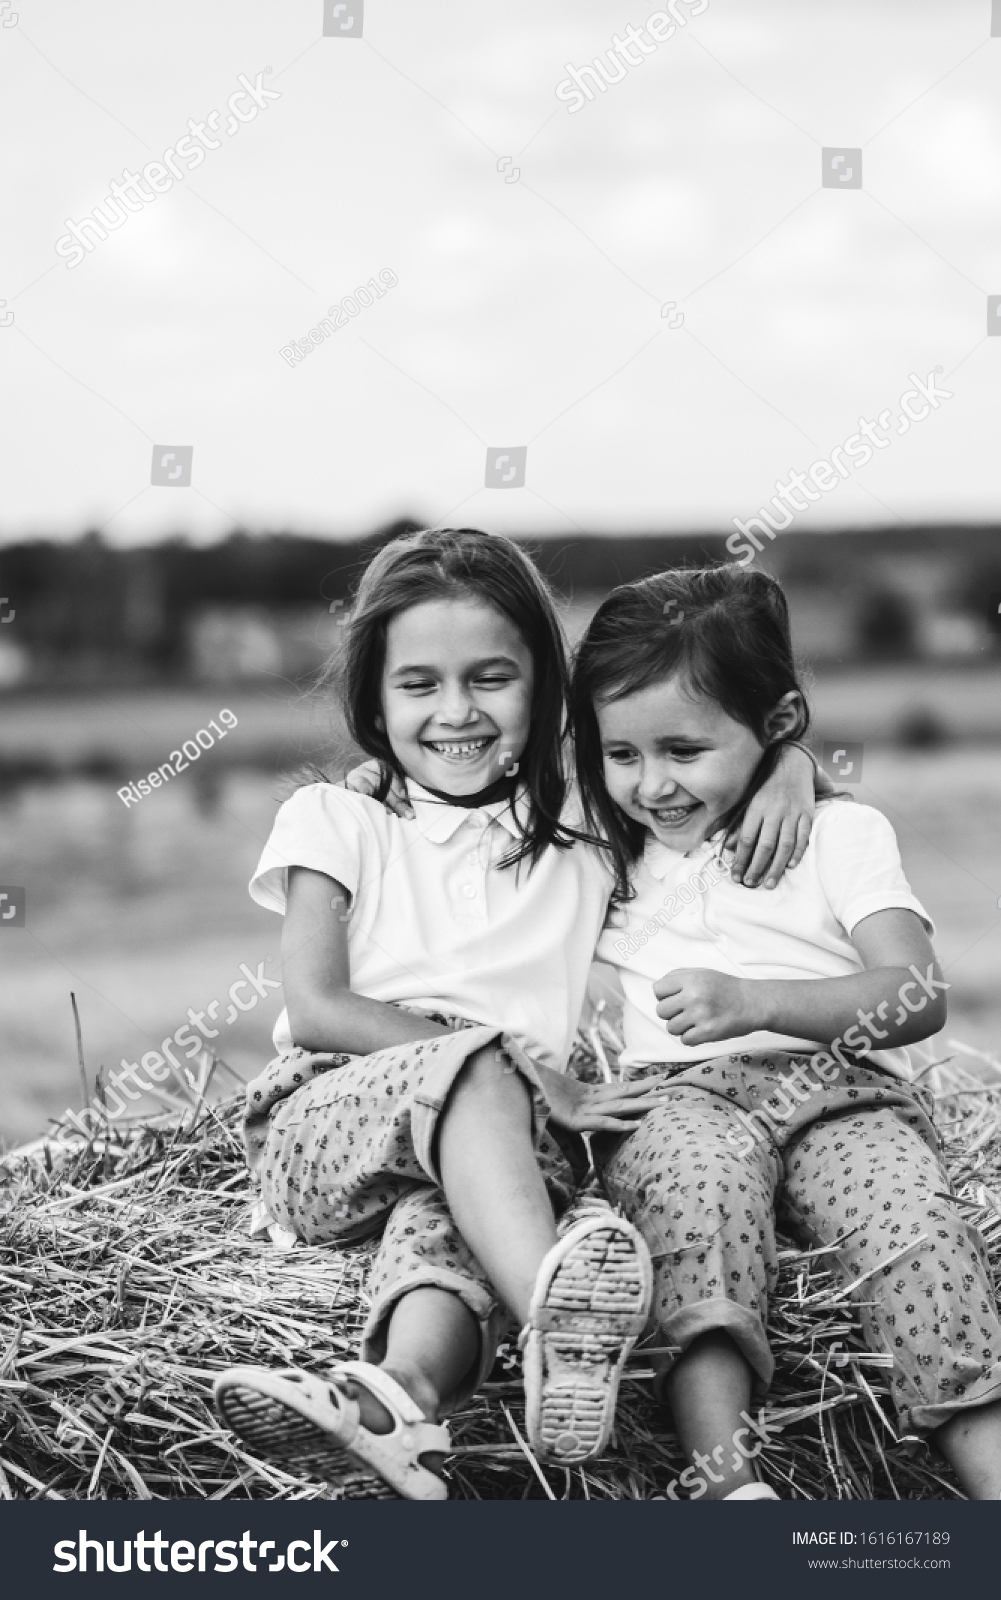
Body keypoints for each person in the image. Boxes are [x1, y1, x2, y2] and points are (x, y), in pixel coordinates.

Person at [215, 528, 820, 1500]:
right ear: (372, 695)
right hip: (331, 1117)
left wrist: (787, 760)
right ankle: (563, 1312)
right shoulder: (337, 818)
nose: (455, 711)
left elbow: (707, 750)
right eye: (418, 685)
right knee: (480, 1085)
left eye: (490, 678)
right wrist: (497, 1054)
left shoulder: (584, 830)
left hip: (517, 1136)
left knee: (441, 1233)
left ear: (543, 685)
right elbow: (319, 1006)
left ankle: (399, 1398)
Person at [569, 562, 1001, 1501]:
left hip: (843, 1094)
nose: (652, 784)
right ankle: (728, 1488)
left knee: (915, 1229)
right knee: (696, 1205)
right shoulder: (598, 855)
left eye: (684, 750)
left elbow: (914, 994)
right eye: (622, 753)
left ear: (777, 724)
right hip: (679, 1102)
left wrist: (758, 1001)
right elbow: (459, 818)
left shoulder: (839, 837)